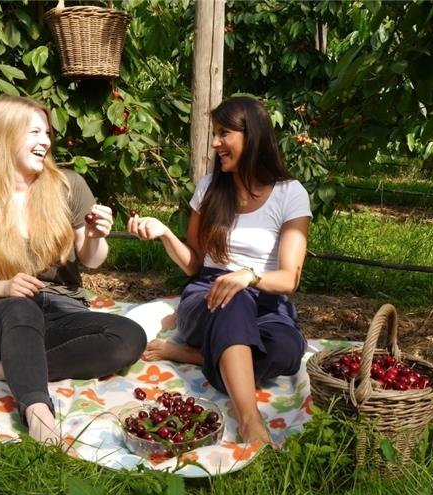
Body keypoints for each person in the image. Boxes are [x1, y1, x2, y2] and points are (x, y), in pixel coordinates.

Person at [0, 95, 146, 447]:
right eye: (34, 132)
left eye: (47, 133)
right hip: (2, 318)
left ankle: (2, 370)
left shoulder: (68, 186)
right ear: (5, 136)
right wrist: (5, 288)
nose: (45, 141)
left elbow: (92, 260)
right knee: (21, 307)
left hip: (64, 312)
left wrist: (94, 236)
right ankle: (37, 413)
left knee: (129, 335)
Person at [127, 96, 311, 445]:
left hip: (267, 296)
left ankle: (196, 356)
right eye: (214, 133)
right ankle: (250, 420)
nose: (215, 143)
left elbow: (290, 278)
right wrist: (165, 232)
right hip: (209, 295)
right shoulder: (209, 189)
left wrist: (249, 275)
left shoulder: (290, 194)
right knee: (234, 298)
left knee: (287, 350)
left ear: (252, 135)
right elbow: (194, 264)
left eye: (224, 132)